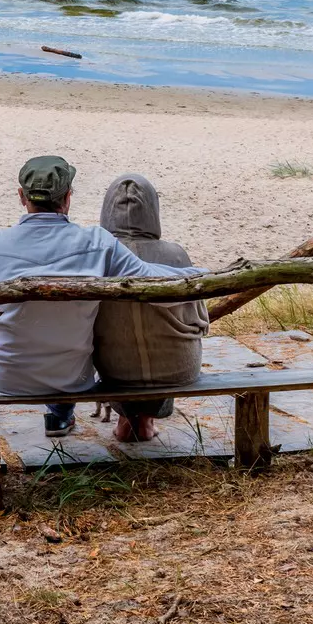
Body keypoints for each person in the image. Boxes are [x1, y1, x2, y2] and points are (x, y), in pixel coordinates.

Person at [0, 156, 198, 442]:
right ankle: (59, 415)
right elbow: (155, 283)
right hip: (72, 381)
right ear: (67, 198)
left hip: (8, 381)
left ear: (22, 197)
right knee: (73, 320)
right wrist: (204, 274)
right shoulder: (98, 243)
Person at [90, 173, 209, 441]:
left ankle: (126, 419)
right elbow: (199, 318)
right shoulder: (174, 254)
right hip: (178, 371)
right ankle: (146, 420)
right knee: (169, 344)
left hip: (116, 372)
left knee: (119, 345)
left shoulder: (96, 255)